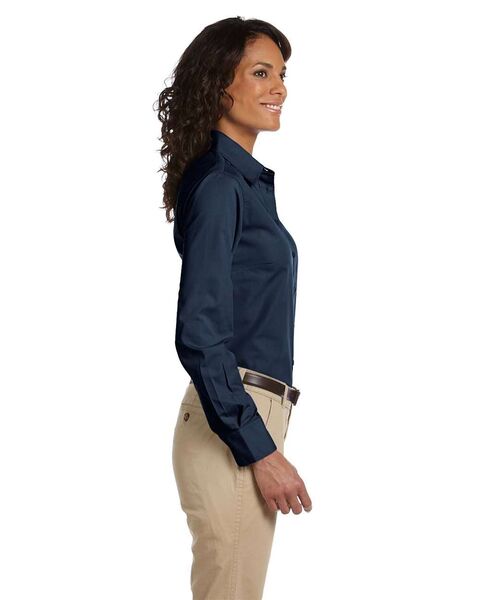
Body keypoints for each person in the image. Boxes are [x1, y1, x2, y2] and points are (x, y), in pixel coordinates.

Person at [155, 16, 313, 600]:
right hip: (236, 421)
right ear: (219, 83)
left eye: (282, 74)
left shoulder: (238, 183)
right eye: (262, 73)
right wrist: (261, 450)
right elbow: (199, 332)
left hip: (241, 414)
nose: (280, 88)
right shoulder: (222, 185)